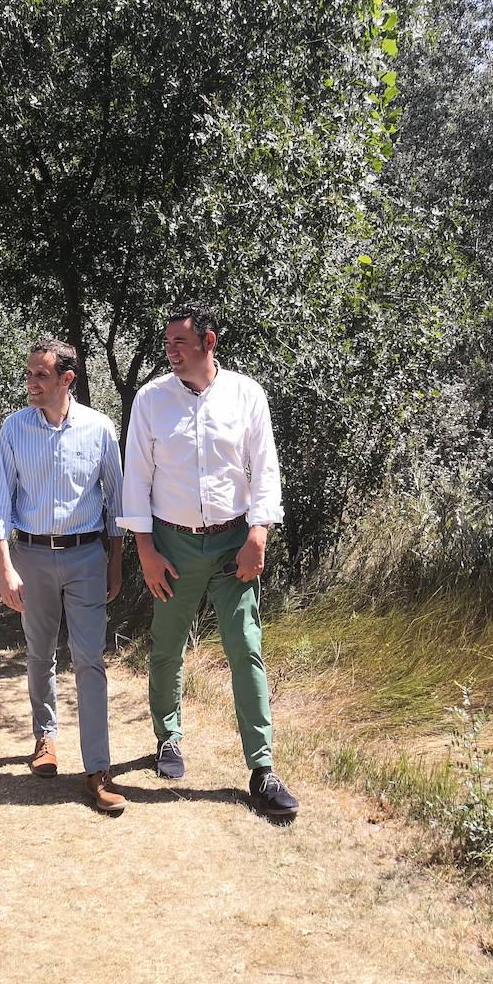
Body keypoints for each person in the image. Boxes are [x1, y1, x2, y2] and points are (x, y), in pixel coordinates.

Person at [118, 306, 299, 817]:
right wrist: (145, 550)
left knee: (246, 647)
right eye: (167, 343)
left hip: (233, 544)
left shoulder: (246, 395)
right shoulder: (152, 401)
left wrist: (259, 532)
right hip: (171, 547)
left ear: (208, 342)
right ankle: (168, 737)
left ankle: (262, 769)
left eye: (180, 342)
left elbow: (264, 469)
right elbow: (137, 478)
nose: (171, 351)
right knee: (167, 646)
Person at [0, 338, 127, 814]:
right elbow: (0, 502)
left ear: (68, 380)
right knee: (40, 652)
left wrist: (115, 561)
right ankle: (44, 737)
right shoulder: (13, 429)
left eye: (40, 376)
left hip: (86, 557)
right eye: (29, 374)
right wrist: (5, 566)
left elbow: (117, 503)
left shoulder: (99, 428)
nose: (31, 383)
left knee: (90, 660)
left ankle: (98, 769)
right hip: (31, 557)